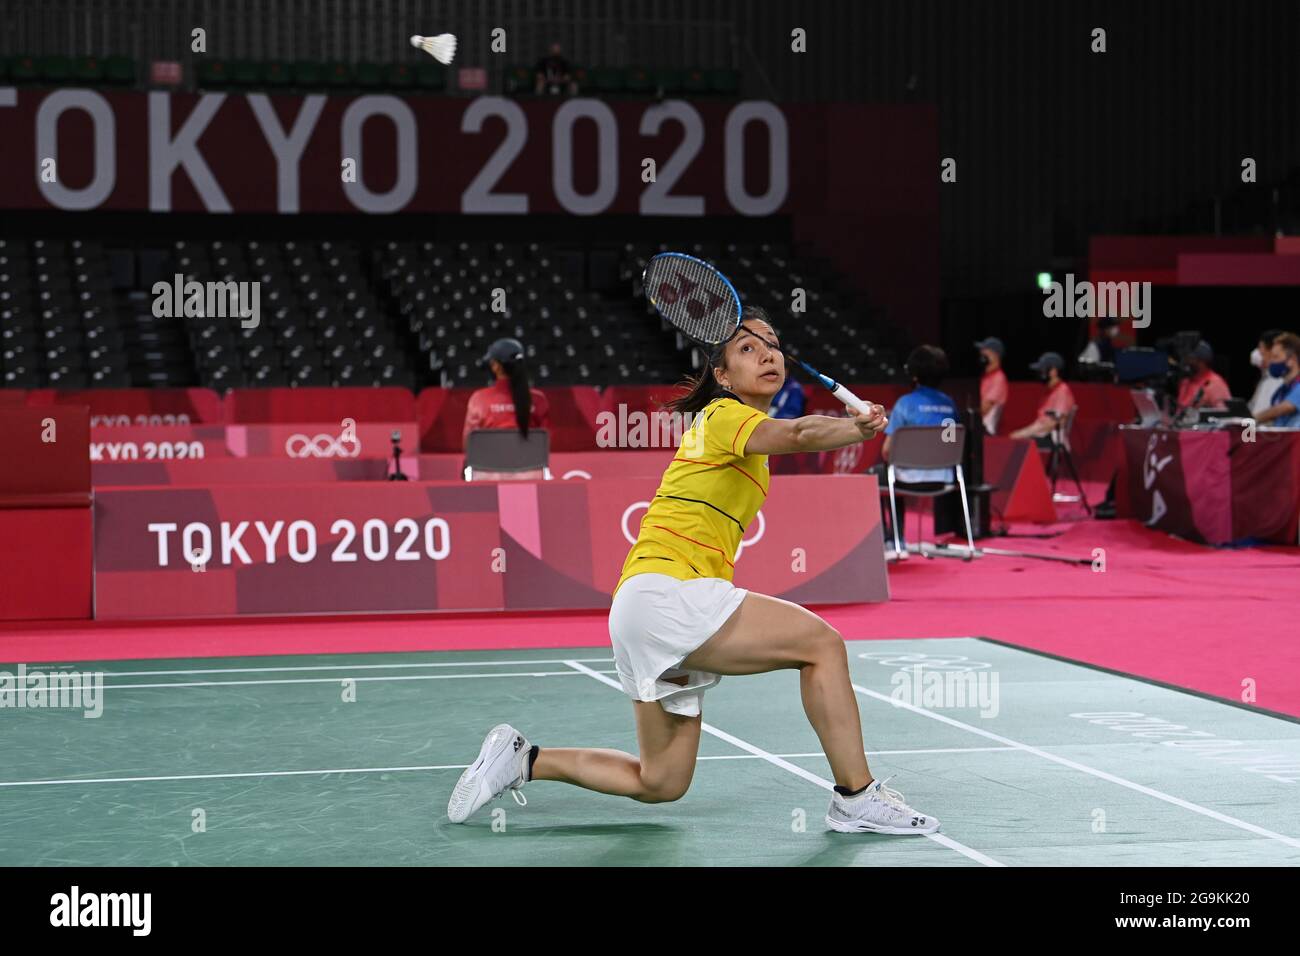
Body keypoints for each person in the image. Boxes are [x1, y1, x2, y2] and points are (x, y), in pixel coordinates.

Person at [446, 306, 941, 835]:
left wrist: (847, 427)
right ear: (723, 377)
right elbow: (797, 434)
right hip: (668, 595)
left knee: (661, 781)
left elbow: (788, 433)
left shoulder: (745, 431)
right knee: (821, 645)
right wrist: (855, 428)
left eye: (772, 343)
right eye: (747, 348)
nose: (767, 353)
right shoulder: (723, 416)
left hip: (640, 606)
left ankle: (522, 758)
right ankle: (856, 797)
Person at [879, 345, 959, 543]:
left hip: (909, 478)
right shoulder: (950, 403)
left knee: (876, 476)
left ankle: (895, 540)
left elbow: (887, 452)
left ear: (913, 375)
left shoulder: (905, 403)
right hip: (945, 477)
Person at [462, 338, 550, 476]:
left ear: (495, 366)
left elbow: (468, 446)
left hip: (488, 479)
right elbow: (546, 446)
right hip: (530, 479)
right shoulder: (539, 400)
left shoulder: (478, 399)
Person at [1010, 352, 1076, 441]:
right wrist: (1023, 432)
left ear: (1053, 371)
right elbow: (1040, 422)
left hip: (1051, 439)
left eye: (1042, 370)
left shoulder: (1062, 391)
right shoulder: (1049, 391)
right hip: (1041, 435)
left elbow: (1056, 423)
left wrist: (1024, 433)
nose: (1039, 373)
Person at [1253, 332, 1300, 427]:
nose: (1271, 362)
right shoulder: (1282, 389)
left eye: (1275, 357)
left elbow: (1285, 407)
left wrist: (1250, 419)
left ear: (1291, 360)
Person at [1174, 340, 1231, 411]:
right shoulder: (1185, 382)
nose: (1186, 362)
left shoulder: (1215, 383)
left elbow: (1223, 415)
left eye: (1190, 358)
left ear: (1202, 362)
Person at [974, 337, 1008, 434]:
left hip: (985, 431)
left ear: (995, 355)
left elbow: (983, 409)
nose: (982, 359)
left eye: (985, 355)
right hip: (976, 427)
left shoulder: (999, 379)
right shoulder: (985, 377)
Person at [1249, 329, 1284, 417]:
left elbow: (1266, 413)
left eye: (1261, 348)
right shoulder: (1266, 378)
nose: (1259, 353)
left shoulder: (1278, 380)